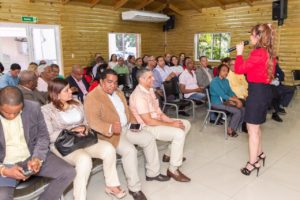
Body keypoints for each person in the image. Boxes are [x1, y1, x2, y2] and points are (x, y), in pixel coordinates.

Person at [84, 69, 170, 200]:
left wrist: (134, 124)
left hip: (127, 128)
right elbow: (93, 121)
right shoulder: (92, 96)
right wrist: (111, 127)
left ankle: (153, 173)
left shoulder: (118, 92)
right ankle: (134, 188)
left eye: (115, 82)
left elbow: (127, 111)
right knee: (130, 151)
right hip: (110, 135)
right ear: (101, 81)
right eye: (109, 82)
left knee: (148, 137)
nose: (112, 85)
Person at [41, 78, 126, 200]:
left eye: (70, 88)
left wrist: (84, 127)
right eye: (66, 90)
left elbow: (87, 122)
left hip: (83, 139)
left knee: (109, 149)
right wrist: (71, 131)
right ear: (56, 93)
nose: (71, 91)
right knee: (84, 160)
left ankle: (112, 185)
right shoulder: (46, 110)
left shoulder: (76, 102)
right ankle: (79, 197)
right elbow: (49, 135)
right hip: (63, 144)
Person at [0, 86, 76, 200]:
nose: (12, 116)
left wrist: (37, 158)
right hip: (5, 163)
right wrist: (4, 170)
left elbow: (43, 136)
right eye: (7, 112)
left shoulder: (33, 107)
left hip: (31, 156)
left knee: (68, 172)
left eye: (17, 112)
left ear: (23, 104)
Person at [130, 68, 191, 182]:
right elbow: (148, 121)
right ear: (141, 79)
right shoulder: (138, 95)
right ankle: (173, 169)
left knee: (185, 124)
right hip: (146, 127)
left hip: (155, 121)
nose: (153, 79)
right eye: (149, 77)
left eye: (152, 76)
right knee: (178, 133)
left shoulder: (150, 89)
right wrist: (172, 125)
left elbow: (159, 112)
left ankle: (168, 155)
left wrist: (171, 122)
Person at [235, 24, 276, 176]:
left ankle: (252, 163)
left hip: (257, 93)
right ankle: (260, 154)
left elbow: (239, 69)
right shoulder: (268, 52)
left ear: (259, 37)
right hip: (263, 92)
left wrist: (239, 54)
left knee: (252, 131)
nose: (250, 38)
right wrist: (268, 28)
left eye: (252, 35)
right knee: (256, 128)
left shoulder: (258, 53)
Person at [210, 64, 245, 137]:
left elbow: (230, 92)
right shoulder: (214, 82)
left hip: (225, 101)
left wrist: (236, 99)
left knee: (243, 109)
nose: (226, 73)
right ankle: (230, 129)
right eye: (224, 71)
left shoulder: (226, 81)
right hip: (217, 103)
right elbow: (223, 95)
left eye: (227, 71)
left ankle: (236, 125)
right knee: (237, 111)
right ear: (219, 71)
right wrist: (236, 101)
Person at [270, 56, 296, 122]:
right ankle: (276, 111)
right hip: (269, 86)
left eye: (276, 61)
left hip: (277, 85)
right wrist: (270, 81)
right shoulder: (265, 66)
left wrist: (277, 79)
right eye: (274, 61)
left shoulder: (276, 65)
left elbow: (282, 75)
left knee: (292, 89)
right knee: (276, 95)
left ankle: (281, 105)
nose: (276, 62)